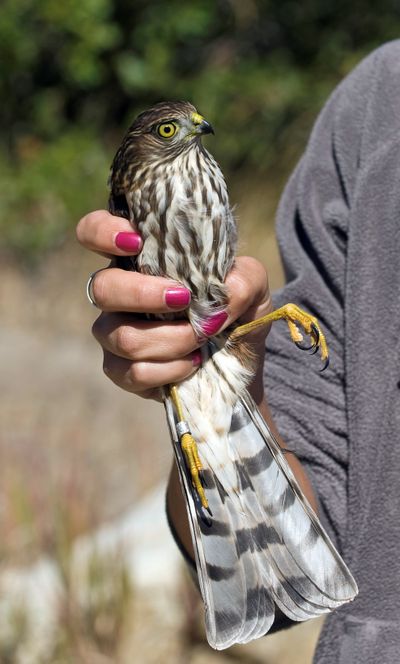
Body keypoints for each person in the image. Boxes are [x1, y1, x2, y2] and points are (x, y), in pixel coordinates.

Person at [77, 41, 400, 662]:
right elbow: (311, 508)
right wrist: (227, 387)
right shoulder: (375, 107)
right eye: (177, 126)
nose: (198, 130)